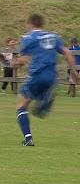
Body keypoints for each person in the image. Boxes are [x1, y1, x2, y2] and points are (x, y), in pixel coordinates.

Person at [11, 14, 79, 146]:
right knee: (37, 103)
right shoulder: (53, 36)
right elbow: (68, 53)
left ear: (30, 24)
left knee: (21, 106)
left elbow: (22, 60)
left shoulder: (28, 38)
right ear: (42, 24)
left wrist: (14, 64)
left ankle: (28, 138)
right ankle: (46, 99)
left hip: (37, 75)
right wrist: (75, 73)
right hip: (52, 77)